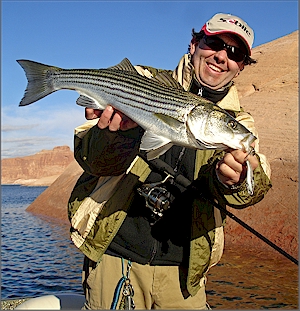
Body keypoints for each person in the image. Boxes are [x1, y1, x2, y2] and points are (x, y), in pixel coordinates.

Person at [68, 13, 272, 310]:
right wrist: (113, 136)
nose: (221, 56)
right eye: (214, 42)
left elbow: (258, 182)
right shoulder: (145, 80)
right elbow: (90, 158)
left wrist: (237, 180)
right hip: (115, 257)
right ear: (194, 44)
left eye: (235, 52)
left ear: (240, 67)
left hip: (184, 275)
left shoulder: (239, 124)